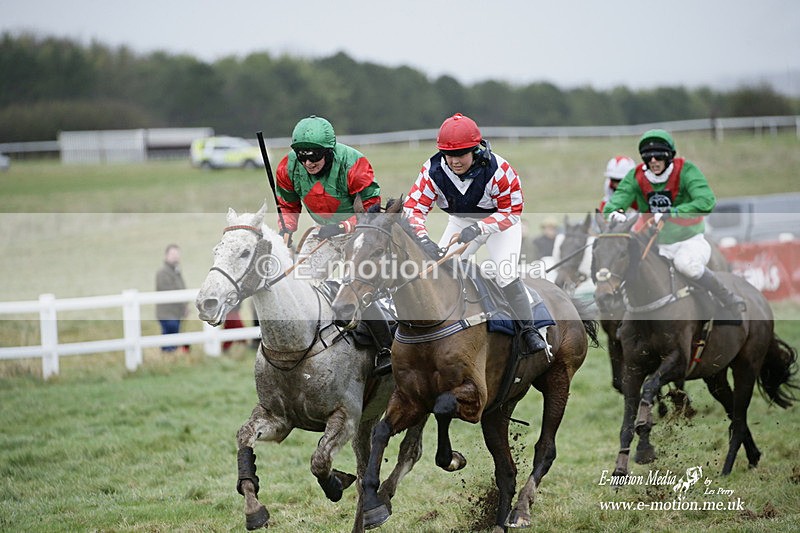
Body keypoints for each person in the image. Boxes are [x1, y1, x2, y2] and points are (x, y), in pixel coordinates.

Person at [403, 113, 548, 358]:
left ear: (475, 149)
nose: (454, 161)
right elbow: (413, 209)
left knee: (504, 274)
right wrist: (422, 238)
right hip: (461, 221)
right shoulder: (432, 171)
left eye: (461, 154)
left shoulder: (500, 170)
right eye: (449, 155)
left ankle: (529, 329)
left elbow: (512, 212)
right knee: (439, 270)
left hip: (501, 224)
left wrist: (481, 229)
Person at [275, 115, 392, 376]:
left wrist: (343, 227)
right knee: (302, 283)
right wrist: (286, 231)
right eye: (303, 157)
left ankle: (386, 348)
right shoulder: (288, 167)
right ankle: (304, 346)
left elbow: (372, 211)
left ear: (329, 152)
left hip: (360, 233)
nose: (308, 163)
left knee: (354, 285)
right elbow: (288, 204)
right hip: (324, 232)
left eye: (315, 157)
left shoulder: (355, 164)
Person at [602, 129, 746, 320]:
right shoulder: (637, 176)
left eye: (658, 155)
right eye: (648, 157)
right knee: (628, 263)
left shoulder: (686, 170)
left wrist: (673, 212)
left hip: (688, 240)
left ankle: (728, 299)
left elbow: (706, 201)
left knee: (686, 265)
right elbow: (613, 203)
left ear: (669, 156)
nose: (653, 160)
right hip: (655, 242)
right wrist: (614, 214)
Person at [155, 243, 188, 352]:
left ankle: (169, 358)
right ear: (166, 256)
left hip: (176, 312)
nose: (175, 256)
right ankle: (167, 356)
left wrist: (185, 306)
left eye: (177, 254)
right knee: (169, 335)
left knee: (173, 337)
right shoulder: (162, 273)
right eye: (172, 254)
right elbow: (168, 291)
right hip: (167, 313)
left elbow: (182, 288)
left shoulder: (177, 271)